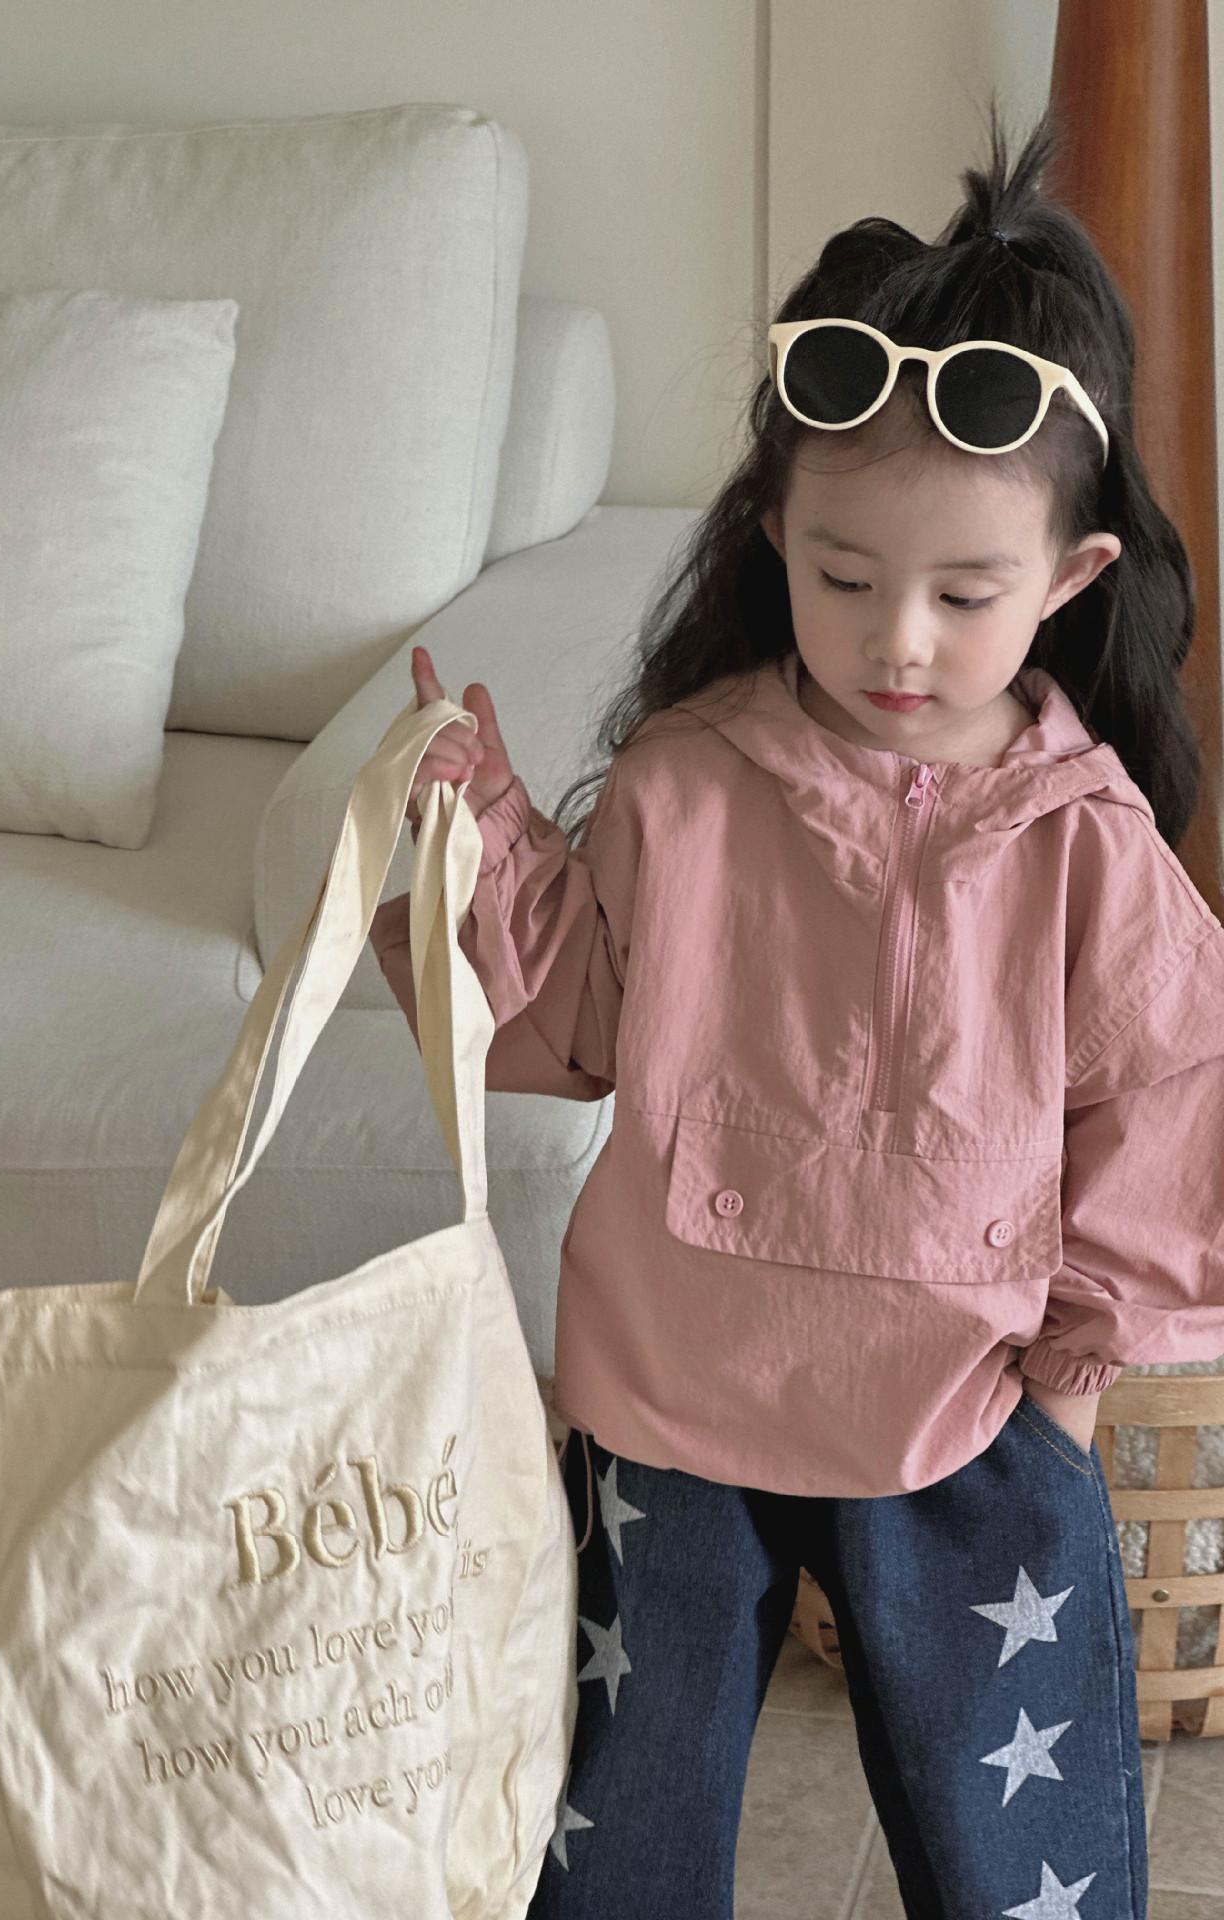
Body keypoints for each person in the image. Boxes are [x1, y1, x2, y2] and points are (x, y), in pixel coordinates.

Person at [368, 97, 1223, 1919]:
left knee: (1024, 1875)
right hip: (671, 1397)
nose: (896, 638)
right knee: (613, 1842)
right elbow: (571, 1023)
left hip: (967, 1423)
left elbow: (1165, 1111)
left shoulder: (1089, 847)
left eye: (964, 593)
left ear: (1070, 581)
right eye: (844, 577)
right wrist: (478, 839)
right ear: (774, 534)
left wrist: (1067, 1393)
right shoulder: (686, 780)